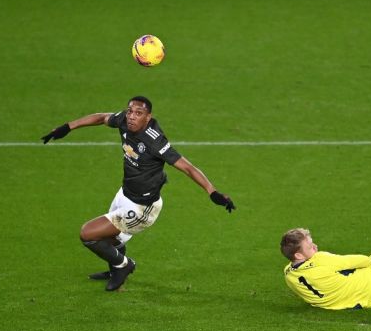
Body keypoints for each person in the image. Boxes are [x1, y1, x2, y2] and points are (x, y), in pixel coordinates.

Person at [42, 96, 236, 291]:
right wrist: (67, 127)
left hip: (142, 207)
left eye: (138, 113)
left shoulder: (155, 141)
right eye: (130, 111)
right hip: (124, 193)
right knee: (110, 238)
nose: (131, 117)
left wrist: (213, 192)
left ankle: (124, 265)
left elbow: (188, 168)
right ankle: (115, 269)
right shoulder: (124, 121)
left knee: (88, 234)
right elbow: (101, 117)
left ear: (148, 117)